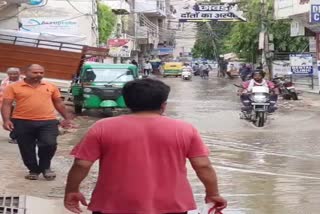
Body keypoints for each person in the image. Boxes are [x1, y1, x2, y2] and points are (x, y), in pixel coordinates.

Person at [64, 78, 227, 214]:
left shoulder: (102, 127)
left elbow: (82, 164)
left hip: (113, 204)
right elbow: (203, 166)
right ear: (163, 104)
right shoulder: (185, 129)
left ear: (127, 102)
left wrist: (72, 190)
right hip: (171, 205)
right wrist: (212, 194)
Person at [1, 64, 73, 181]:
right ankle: (33, 169)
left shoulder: (50, 86)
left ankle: (45, 167)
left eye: (41, 73)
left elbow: (58, 103)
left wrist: (67, 118)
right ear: (26, 72)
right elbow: (6, 104)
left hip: (48, 121)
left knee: (49, 144)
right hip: (22, 121)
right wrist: (6, 120)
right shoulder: (14, 87)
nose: (38, 75)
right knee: (26, 147)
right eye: (35, 72)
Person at [0, 67, 24, 144]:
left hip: (21, 103)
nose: (13, 75)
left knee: (19, 120)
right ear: (8, 74)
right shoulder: (5, 81)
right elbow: (2, 94)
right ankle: (14, 137)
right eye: (11, 74)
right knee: (10, 120)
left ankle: (17, 137)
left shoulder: (24, 80)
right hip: (9, 104)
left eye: (15, 73)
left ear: (19, 74)